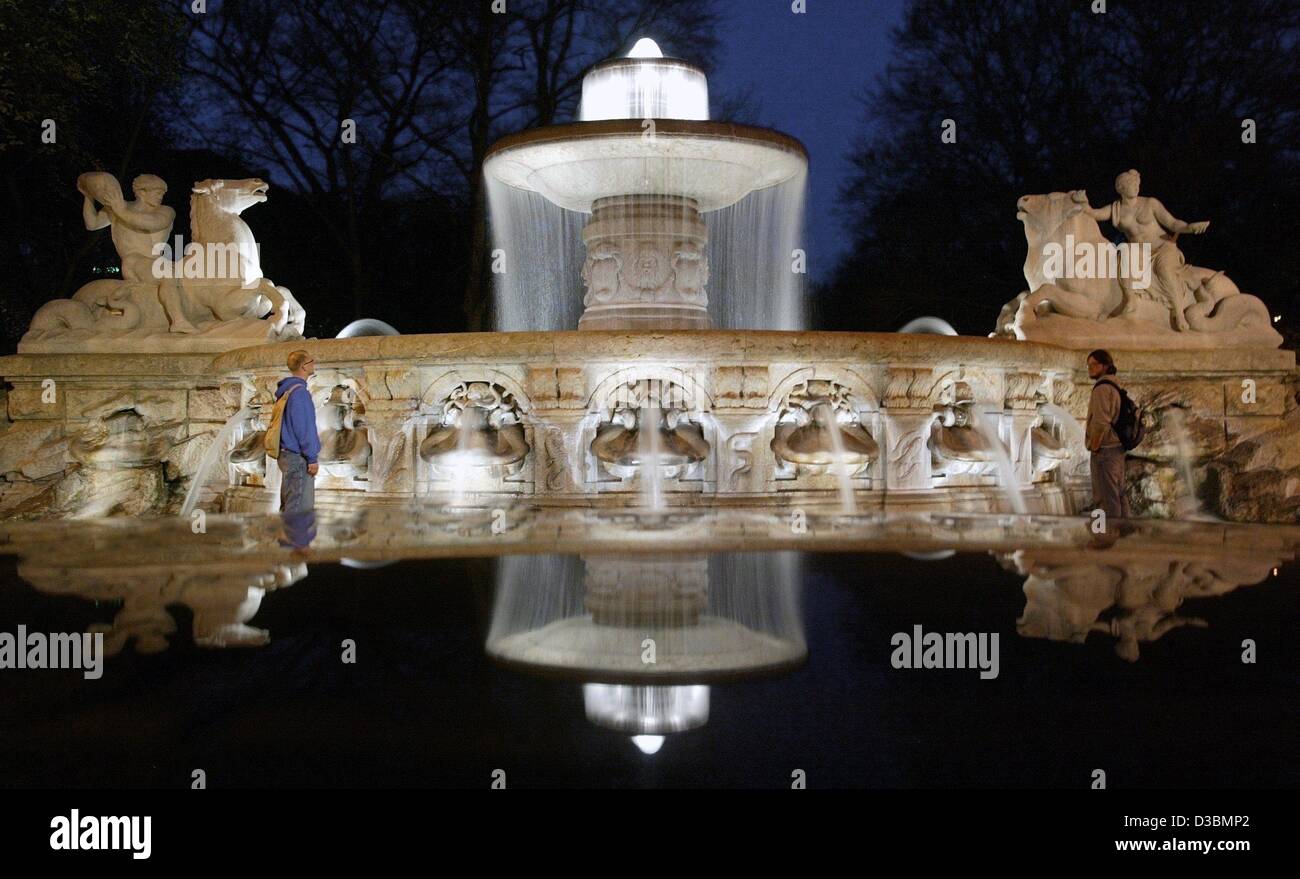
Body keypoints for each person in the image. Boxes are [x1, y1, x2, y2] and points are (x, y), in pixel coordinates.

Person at [1076, 169, 1210, 330]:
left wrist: (1189, 227)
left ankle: (1179, 313)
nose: (1135, 186)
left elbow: (1173, 223)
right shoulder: (1116, 208)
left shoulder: (1150, 203)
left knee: (1164, 270)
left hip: (1163, 247)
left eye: (1136, 183)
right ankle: (1130, 299)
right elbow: (1095, 214)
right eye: (1131, 184)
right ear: (1121, 188)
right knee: (1124, 251)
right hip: (1139, 250)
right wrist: (1083, 204)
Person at [1085, 349, 1130, 520]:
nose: (1089, 368)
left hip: (1105, 450)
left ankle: (1105, 537)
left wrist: (1095, 447)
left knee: (1104, 499)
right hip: (1117, 448)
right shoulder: (1116, 384)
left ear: (1105, 366)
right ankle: (1124, 535)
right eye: (1088, 365)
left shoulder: (1102, 389)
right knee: (1119, 494)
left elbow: (1101, 422)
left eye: (1094, 364)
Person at [276, 350, 320, 513]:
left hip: (286, 454)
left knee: (289, 505)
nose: (314, 363)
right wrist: (312, 457)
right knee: (298, 509)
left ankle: (286, 537)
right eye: (311, 361)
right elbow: (304, 428)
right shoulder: (300, 393)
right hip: (298, 457)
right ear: (303, 366)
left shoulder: (287, 391)